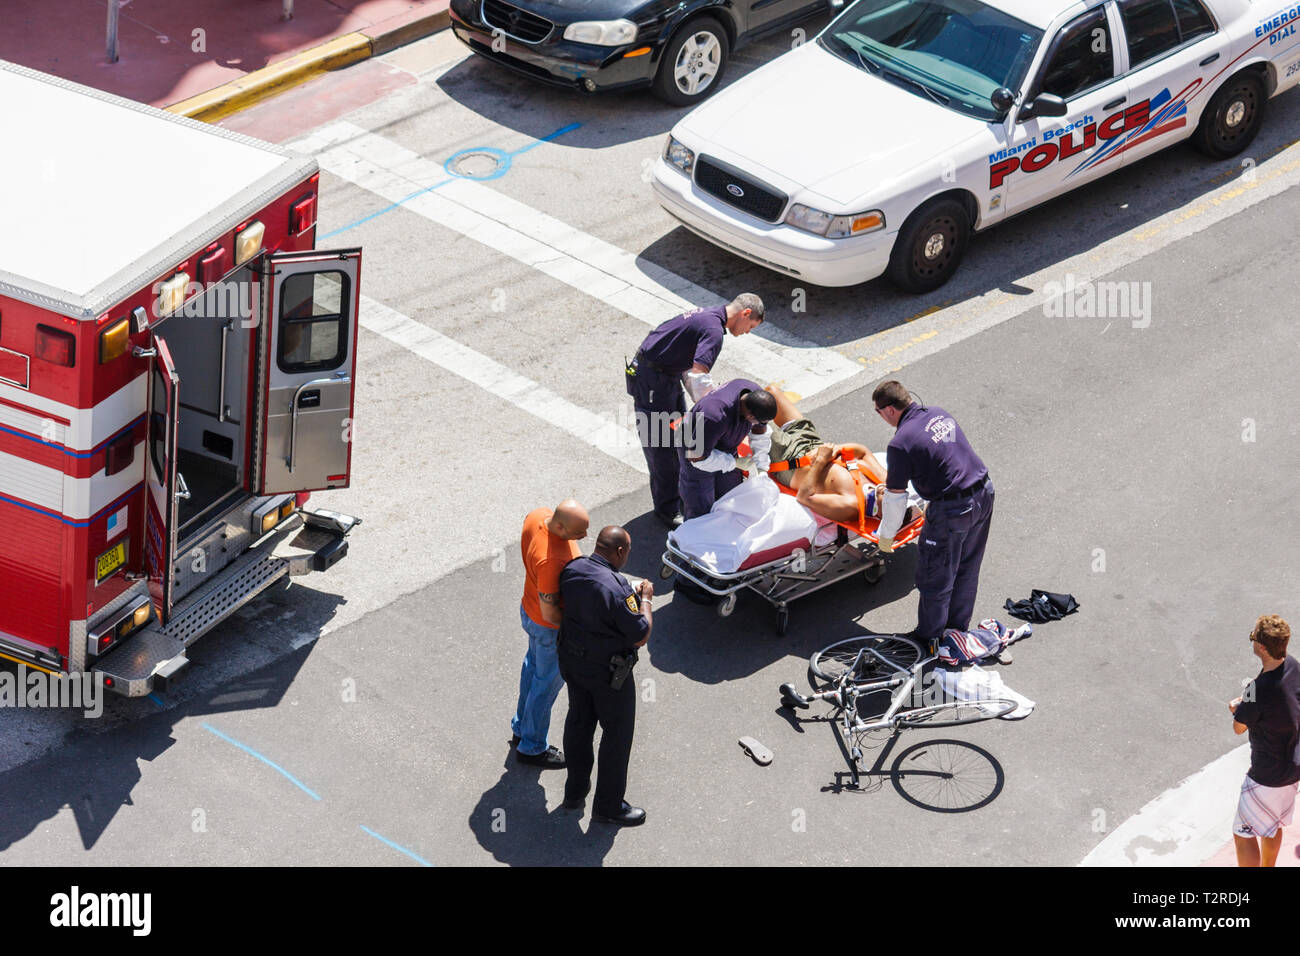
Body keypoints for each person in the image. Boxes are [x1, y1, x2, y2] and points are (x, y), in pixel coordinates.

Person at [626, 294, 765, 527]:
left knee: (681, 435)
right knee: (661, 445)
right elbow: (698, 377)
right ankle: (667, 508)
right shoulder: (713, 331)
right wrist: (711, 413)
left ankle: (678, 496)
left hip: (664, 376)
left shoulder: (708, 316)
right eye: (750, 326)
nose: (747, 332)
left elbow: (690, 371)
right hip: (653, 382)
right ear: (746, 313)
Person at [871, 381, 991, 645]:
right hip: (983, 494)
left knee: (935, 575)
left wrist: (886, 538)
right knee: (967, 567)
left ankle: (928, 640)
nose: (880, 417)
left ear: (889, 410)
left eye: (878, 412)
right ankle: (956, 631)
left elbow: (894, 499)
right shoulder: (938, 414)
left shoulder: (900, 444)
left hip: (952, 509)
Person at [557, 526, 652, 827]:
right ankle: (609, 806)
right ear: (620, 551)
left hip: (573, 662)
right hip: (608, 674)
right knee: (616, 734)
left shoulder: (573, 568)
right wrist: (645, 600)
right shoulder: (618, 588)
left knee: (579, 722)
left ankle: (574, 792)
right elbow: (640, 634)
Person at [511, 499, 589, 768]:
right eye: (579, 533)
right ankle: (532, 747)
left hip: (528, 610)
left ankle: (522, 728)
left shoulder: (538, 516)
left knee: (532, 672)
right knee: (545, 686)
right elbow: (550, 613)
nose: (584, 537)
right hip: (547, 628)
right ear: (559, 525)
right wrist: (576, 631)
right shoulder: (550, 562)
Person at [761, 384, 891, 527]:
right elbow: (863, 451)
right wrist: (836, 449)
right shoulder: (885, 482)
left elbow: (804, 497)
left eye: (892, 504)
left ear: (881, 514)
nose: (891, 494)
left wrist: (821, 461)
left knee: (752, 406)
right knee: (771, 392)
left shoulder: (851, 505)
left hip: (788, 460)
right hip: (811, 442)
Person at [1228, 614, 1300, 867]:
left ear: (1260, 646)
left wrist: (1236, 708)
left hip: (1266, 777)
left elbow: (1239, 727)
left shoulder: (1255, 688)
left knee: (1243, 833)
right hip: (1292, 771)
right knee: (1272, 826)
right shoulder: (1293, 666)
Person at [678, 378, 777, 520]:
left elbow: (760, 433)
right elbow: (696, 458)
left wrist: (761, 466)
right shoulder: (714, 415)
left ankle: (722, 531)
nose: (761, 425)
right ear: (749, 416)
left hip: (724, 444)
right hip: (695, 448)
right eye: (759, 422)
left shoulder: (753, 396)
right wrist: (733, 463)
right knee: (701, 503)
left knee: (731, 495)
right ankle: (694, 536)